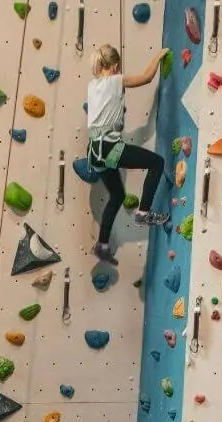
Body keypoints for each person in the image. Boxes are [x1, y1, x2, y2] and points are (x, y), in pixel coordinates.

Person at [87, 44, 171, 265]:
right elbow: (146, 77)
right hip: (108, 147)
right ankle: (144, 212)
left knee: (117, 196)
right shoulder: (115, 80)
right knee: (157, 162)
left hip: (94, 151)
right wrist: (158, 56)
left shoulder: (92, 85)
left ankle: (102, 245)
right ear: (115, 66)